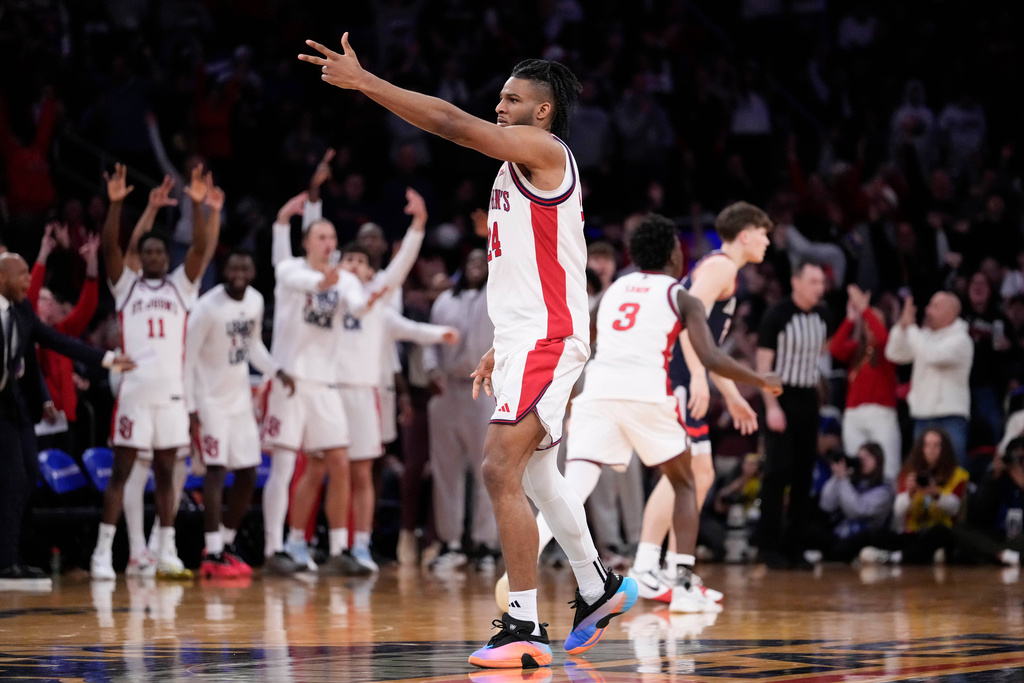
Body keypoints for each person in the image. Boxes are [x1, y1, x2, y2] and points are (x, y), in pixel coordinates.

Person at [300, 37, 633, 667]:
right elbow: (523, 270)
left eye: (512, 99)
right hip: (523, 341)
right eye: (499, 97)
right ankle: (597, 588)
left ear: (542, 112)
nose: (499, 106)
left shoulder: (544, 151)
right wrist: (499, 350)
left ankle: (525, 628)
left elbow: (450, 122)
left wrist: (367, 81)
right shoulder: (514, 167)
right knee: (533, 473)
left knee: (497, 470)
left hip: (551, 338)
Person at [498, 215, 782, 616]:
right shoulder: (679, 295)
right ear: (672, 253)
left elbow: (586, 337)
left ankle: (525, 567)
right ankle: (681, 578)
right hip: (647, 394)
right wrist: (759, 378)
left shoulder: (615, 289)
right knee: (686, 482)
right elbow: (710, 355)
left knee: (571, 488)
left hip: (596, 394)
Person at [630, 201, 771, 604]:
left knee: (701, 473)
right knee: (682, 473)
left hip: (684, 372)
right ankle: (646, 565)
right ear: (745, 234)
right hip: (673, 373)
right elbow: (685, 324)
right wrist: (694, 376)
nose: (767, 242)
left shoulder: (724, 270)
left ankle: (679, 573)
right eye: (764, 233)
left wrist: (729, 395)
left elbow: (708, 345)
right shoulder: (721, 267)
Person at [91, 163, 219, 581]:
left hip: (171, 397)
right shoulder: (125, 286)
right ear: (140, 259)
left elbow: (200, 250)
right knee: (122, 473)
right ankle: (103, 553)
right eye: (147, 253)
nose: (153, 257)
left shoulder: (181, 288)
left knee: (167, 474)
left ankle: (167, 549)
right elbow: (109, 249)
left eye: (160, 252)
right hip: (135, 394)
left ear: (167, 257)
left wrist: (197, 206)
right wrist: (115, 207)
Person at [260, 199, 379, 576]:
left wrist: (371, 296)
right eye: (321, 236)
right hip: (291, 379)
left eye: (332, 237)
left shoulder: (343, 278)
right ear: (307, 243)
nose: (328, 242)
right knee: (284, 466)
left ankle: (340, 548)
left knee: (338, 461)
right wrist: (320, 281)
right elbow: (301, 281)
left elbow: (358, 305)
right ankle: (278, 547)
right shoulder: (290, 270)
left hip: (324, 382)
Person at [0, 252, 133, 585]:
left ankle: (15, 558)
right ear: (2, 278)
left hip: (12, 405)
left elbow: (57, 342)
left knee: (28, 476)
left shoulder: (22, 310)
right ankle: (5, 561)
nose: (29, 282)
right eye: (23, 276)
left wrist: (108, 360)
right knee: (13, 480)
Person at [184, 249, 296, 579]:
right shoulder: (205, 309)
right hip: (209, 402)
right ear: (224, 269)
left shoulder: (256, 301)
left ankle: (228, 542)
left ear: (253, 270)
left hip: (239, 400)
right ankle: (213, 550)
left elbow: (252, 347)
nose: (239, 272)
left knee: (248, 471)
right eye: (233, 266)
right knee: (216, 472)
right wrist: (190, 408)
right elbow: (187, 361)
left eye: (245, 267)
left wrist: (276, 370)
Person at [755, 260, 834, 569]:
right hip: (780, 395)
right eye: (813, 282)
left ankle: (794, 546)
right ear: (796, 282)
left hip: (807, 397)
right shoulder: (776, 315)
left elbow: (824, 353)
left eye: (822, 282)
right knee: (777, 472)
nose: (820, 288)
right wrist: (772, 406)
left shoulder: (824, 316)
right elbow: (764, 368)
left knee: (803, 475)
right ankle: (767, 545)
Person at [422, 248, 498, 570]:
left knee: (487, 469)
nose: (477, 266)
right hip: (448, 389)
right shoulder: (444, 302)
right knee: (446, 471)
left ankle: (485, 543)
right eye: (471, 261)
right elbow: (429, 342)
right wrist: (430, 372)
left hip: (485, 390)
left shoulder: (495, 297)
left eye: (483, 261)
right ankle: (450, 542)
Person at [884, 292, 974, 466]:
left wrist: (911, 328)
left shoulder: (961, 340)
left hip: (950, 417)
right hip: (922, 416)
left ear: (950, 313)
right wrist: (902, 326)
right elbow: (894, 354)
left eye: (934, 306)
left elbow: (933, 355)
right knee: (922, 471)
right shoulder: (923, 336)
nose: (927, 310)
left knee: (952, 470)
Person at [860, 428, 969, 565]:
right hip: (914, 533)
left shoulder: (958, 474)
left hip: (940, 532)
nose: (931, 450)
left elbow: (954, 508)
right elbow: (898, 510)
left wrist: (936, 494)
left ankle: (897, 557)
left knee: (939, 532)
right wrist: (909, 494)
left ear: (945, 449)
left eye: (937, 445)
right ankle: (924, 556)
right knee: (877, 534)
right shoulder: (908, 473)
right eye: (927, 445)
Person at [829, 284, 901, 480]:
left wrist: (865, 309)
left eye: (876, 320)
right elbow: (835, 349)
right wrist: (851, 318)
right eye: (867, 320)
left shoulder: (889, 349)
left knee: (889, 468)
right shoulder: (856, 350)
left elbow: (882, 338)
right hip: (854, 416)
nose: (870, 324)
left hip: (881, 415)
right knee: (855, 467)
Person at [813, 442, 894, 561]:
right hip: (839, 535)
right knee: (810, 529)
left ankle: (827, 554)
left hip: (866, 537)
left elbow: (857, 510)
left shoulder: (884, 488)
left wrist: (843, 480)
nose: (862, 461)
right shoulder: (850, 481)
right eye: (860, 458)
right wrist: (837, 476)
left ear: (878, 461)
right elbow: (826, 505)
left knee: (857, 540)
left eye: (868, 457)